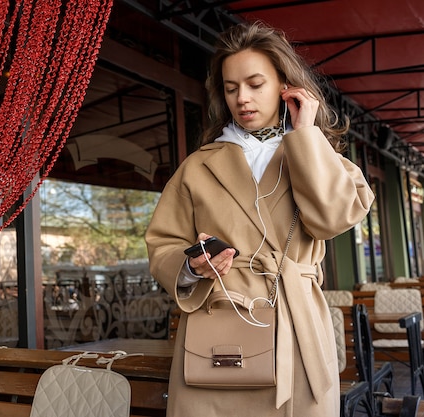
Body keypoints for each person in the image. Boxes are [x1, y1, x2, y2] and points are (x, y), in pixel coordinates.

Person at [145, 21, 374, 417]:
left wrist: (304, 136)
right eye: (231, 89)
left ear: (285, 85)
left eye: (255, 84)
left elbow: (331, 219)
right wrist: (191, 268)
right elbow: (162, 244)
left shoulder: (320, 157)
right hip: (220, 326)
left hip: (297, 325)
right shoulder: (198, 167)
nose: (242, 99)